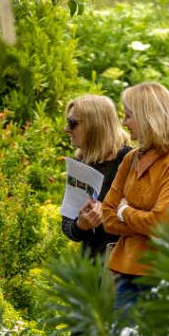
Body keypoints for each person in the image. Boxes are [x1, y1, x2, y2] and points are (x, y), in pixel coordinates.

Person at [102, 82, 169, 312]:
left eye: (128, 115)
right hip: (126, 272)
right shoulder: (132, 158)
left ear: (149, 117)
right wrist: (143, 222)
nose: (124, 123)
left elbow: (160, 224)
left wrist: (125, 212)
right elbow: (107, 217)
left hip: (166, 276)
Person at [60, 95, 133, 258]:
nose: (67, 129)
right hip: (92, 266)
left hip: (124, 263)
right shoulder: (81, 162)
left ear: (95, 124)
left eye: (73, 123)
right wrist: (81, 225)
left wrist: (111, 214)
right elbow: (67, 225)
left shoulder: (129, 160)